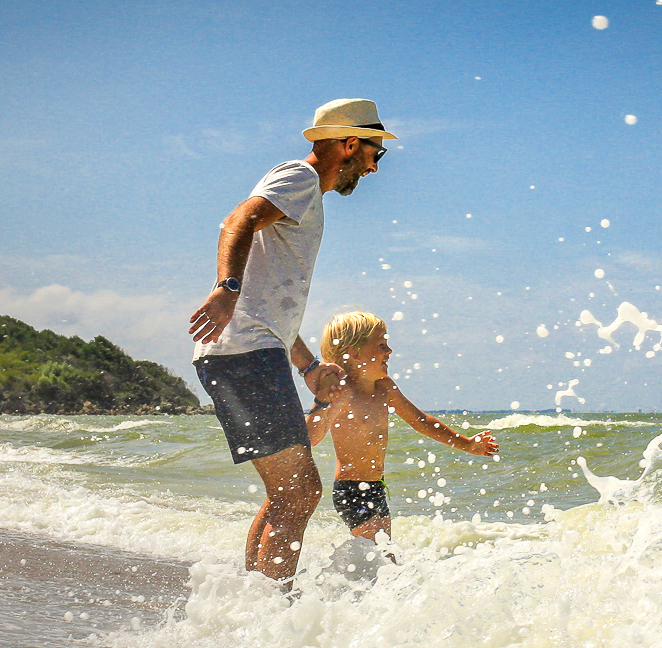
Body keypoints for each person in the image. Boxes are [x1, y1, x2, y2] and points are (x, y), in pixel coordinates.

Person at [186, 98, 393, 585]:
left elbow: (271, 303)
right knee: (299, 493)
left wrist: (306, 365)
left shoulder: (306, 199)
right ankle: (271, 610)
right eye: (374, 154)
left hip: (254, 352)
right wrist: (226, 288)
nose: (373, 167)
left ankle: (255, 602)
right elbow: (238, 220)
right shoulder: (299, 179)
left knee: (288, 493)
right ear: (348, 144)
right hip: (245, 354)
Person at [307, 312, 498, 546]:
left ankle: (343, 580)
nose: (389, 352)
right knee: (382, 556)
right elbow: (312, 437)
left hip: (377, 487)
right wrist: (322, 402)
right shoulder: (343, 393)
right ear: (355, 353)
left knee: (378, 558)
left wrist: (466, 444)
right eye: (381, 345)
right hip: (352, 490)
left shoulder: (385, 388)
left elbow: (420, 420)